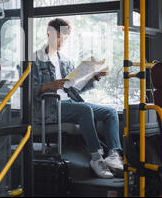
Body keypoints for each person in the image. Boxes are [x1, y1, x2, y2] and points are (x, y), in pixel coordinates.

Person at [32, 18, 123, 179]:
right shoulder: (34, 60)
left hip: (69, 103)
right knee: (84, 110)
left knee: (110, 112)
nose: (62, 41)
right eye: (59, 36)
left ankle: (114, 155)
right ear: (49, 34)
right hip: (49, 107)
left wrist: (95, 77)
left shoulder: (65, 60)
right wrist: (51, 85)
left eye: (65, 38)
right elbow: (29, 90)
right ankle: (96, 158)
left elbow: (74, 87)